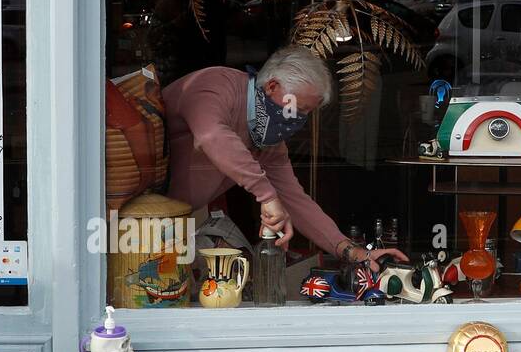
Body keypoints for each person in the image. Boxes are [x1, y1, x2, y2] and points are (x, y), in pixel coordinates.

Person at [162, 45, 407, 270]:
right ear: (272, 86)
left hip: (166, 222)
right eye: (297, 110)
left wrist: (349, 251)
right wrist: (267, 196)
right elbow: (211, 135)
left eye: (306, 114)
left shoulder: (267, 140)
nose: (298, 122)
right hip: (131, 218)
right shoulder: (216, 84)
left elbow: (295, 200)